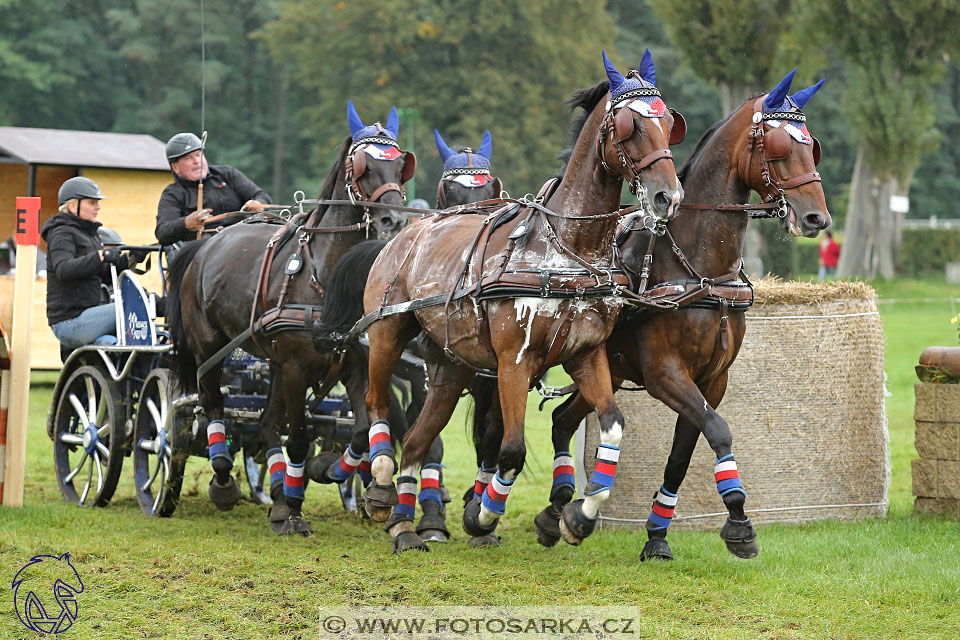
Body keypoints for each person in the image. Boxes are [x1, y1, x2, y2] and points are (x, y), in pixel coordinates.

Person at [42, 177, 148, 348]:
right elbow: (63, 269)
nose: (98, 207)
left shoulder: (89, 234)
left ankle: (113, 348)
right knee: (131, 307)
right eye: (92, 202)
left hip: (87, 315)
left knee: (140, 305)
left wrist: (131, 259)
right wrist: (100, 256)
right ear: (72, 206)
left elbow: (103, 274)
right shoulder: (60, 233)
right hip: (69, 322)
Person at [155, 132, 272, 245]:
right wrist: (186, 223)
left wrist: (257, 204)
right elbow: (162, 232)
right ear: (175, 167)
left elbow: (261, 195)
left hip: (240, 240)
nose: (197, 161)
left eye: (198, 154)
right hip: (200, 250)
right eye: (188, 158)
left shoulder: (227, 174)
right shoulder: (173, 193)